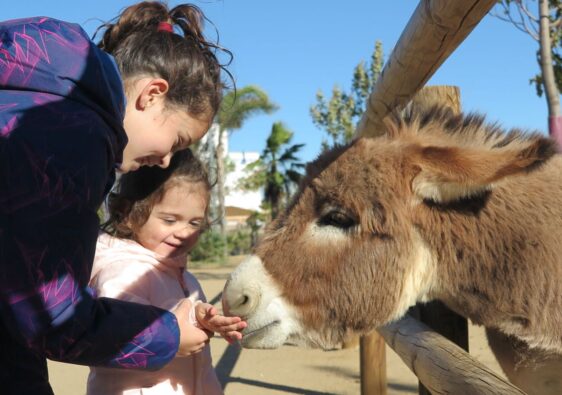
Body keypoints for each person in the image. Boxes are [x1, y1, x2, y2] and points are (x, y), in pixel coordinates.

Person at [0, 2, 244, 394]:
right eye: (177, 141)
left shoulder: (35, 90)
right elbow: (53, 318)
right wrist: (169, 335)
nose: (164, 160)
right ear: (151, 94)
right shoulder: (73, 139)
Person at [88, 149, 236, 395]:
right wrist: (174, 337)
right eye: (169, 220)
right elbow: (122, 335)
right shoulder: (123, 272)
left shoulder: (185, 277)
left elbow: (178, 318)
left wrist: (202, 318)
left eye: (194, 223)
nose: (183, 232)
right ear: (127, 214)